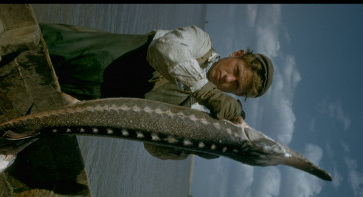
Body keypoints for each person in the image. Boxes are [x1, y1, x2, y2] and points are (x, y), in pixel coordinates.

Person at [39, 24, 274, 160]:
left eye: (235, 86)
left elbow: (153, 148)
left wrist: (193, 145)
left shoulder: (192, 109)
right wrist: (210, 94)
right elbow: (165, 48)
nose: (228, 79)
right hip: (79, 52)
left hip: (79, 97)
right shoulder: (200, 42)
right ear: (236, 54)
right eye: (236, 70)